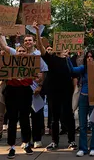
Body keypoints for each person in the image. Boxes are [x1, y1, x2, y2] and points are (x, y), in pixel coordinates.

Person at [34, 22, 77, 151]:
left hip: (67, 92)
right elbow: (41, 47)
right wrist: (37, 31)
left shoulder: (69, 60)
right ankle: (54, 141)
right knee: (54, 118)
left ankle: (72, 140)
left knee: (69, 116)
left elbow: (75, 73)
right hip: (54, 92)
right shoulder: (50, 58)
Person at [67, 50, 94, 157]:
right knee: (82, 125)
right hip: (83, 98)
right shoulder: (83, 68)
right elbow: (72, 70)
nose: (89, 58)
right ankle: (83, 148)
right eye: (88, 57)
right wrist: (68, 58)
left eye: (91, 57)